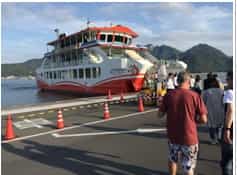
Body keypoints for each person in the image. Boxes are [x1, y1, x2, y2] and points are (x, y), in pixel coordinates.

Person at [158, 71, 208, 175]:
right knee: (188, 165)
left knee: (173, 159)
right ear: (188, 81)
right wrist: (194, 120)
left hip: (173, 136)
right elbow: (204, 119)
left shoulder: (169, 95)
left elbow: (159, 115)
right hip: (189, 136)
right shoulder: (195, 96)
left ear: (177, 81)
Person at [202, 78, 225, 144]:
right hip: (220, 110)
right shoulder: (221, 91)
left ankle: (213, 139)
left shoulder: (206, 92)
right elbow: (224, 102)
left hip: (210, 110)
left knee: (211, 126)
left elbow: (203, 102)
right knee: (218, 125)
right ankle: (217, 137)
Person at [220, 71, 233, 175]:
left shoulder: (229, 93)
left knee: (227, 162)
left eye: (228, 79)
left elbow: (230, 110)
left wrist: (227, 129)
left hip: (231, 129)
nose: (227, 81)